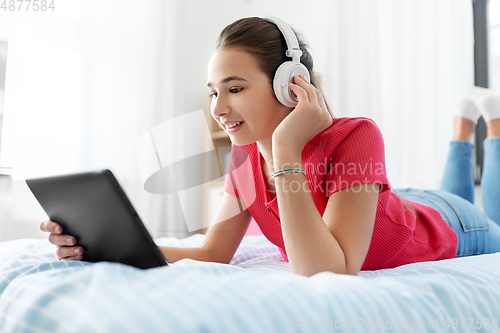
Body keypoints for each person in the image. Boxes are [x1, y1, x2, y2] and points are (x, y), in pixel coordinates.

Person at [40, 17, 500, 277]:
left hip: (452, 225)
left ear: (289, 85)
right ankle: (463, 129)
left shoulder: (356, 135)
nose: (219, 107)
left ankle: (487, 128)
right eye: (213, 91)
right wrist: (109, 246)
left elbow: (329, 270)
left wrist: (285, 149)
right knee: (423, 194)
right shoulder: (243, 155)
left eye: (235, 88)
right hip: (392, 205)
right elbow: (214, 253)